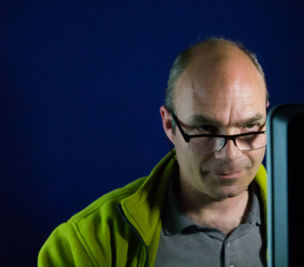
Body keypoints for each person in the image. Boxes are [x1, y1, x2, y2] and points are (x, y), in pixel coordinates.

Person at [38, 37, 269, 267]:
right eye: (206, 129)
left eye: (249, 127)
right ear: (170, 126)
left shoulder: (303, 219)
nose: (230, 154)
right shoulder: (85, 245)